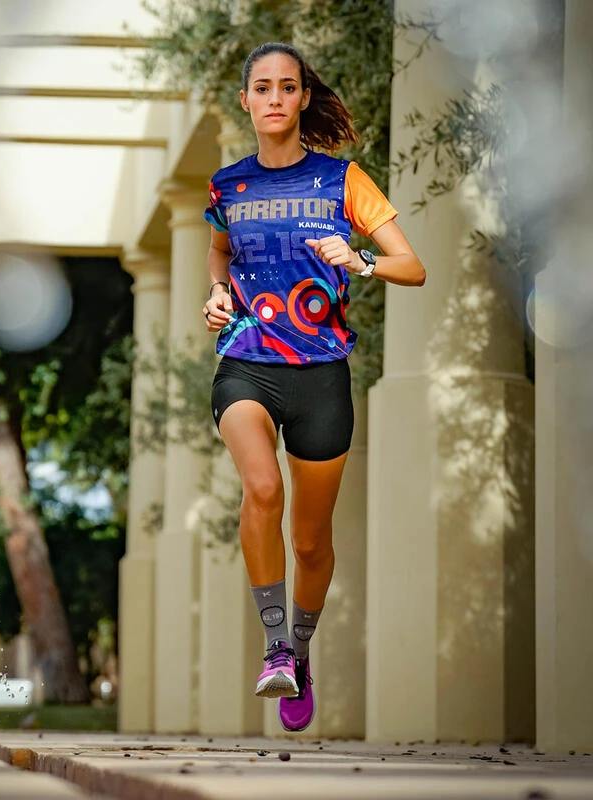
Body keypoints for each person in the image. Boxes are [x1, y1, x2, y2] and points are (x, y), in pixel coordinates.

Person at [202, 41, 425, 733]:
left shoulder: (341, 180)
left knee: (310, 542)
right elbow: (219, 248)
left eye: (287, 87)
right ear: (245, 99)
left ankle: (298, 652)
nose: (274, 97)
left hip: (322, 375)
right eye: (262, 87)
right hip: (246, 363)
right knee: (262, 487)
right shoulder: (227, 186)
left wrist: (360, 259)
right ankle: (273, 644)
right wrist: (217, 292)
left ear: (302, 98)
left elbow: (412, 266)